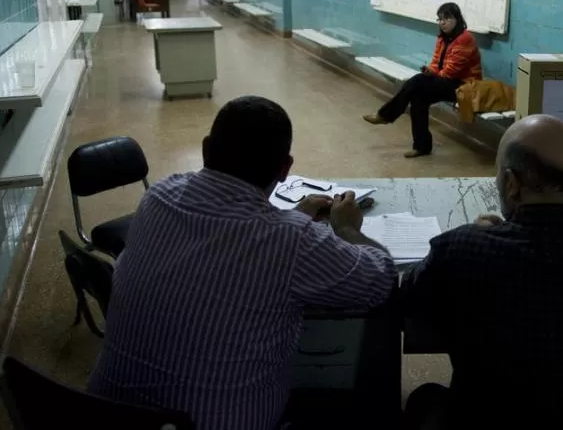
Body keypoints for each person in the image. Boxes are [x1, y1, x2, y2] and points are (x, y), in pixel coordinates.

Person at [89, 96, 397, 430]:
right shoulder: (292, 241)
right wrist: (347, 228)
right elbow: (379, 281)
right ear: (284, 168)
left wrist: (295, 215)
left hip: (109, 416)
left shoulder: (158, 197)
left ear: (207, 149)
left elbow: (220, 245)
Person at [400, 114, 563, 428]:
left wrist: (478, 235)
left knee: (424, 398)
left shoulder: (462, 249)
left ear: (511, 183)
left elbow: (407, 297)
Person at [363, 2, 482, 158]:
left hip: (464, 86)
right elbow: (436, 63)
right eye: (440, 19)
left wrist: (431, 76)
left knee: (418, 82)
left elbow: (451, 72)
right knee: (418, 98)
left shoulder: (465, 38)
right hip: (446, 82)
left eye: (447, 18)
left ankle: (386, 115)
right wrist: (430, 71)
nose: (443, 22)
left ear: (457, 19)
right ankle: (422, 147)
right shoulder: (443, 38)